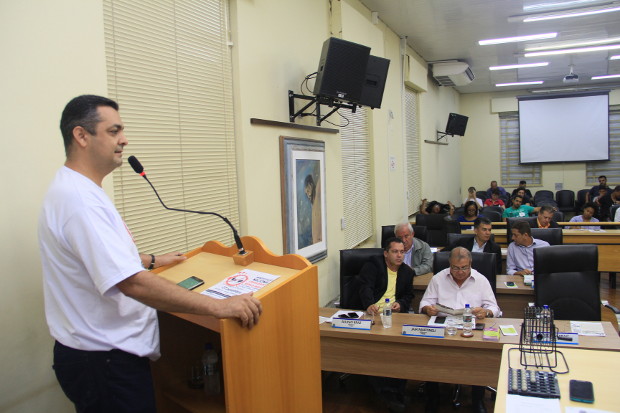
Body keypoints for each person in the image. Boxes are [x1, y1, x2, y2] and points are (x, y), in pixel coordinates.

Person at [38, 95, 262, 412]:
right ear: (81, 135)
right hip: (105, 361)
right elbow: (132, 283)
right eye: (114, 131)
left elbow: (95, 256)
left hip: (101, 355)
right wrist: (219, 306)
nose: (124, 139)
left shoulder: (75, 189)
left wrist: (154, 261)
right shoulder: (79, 201)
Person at [419, 248, 500, 413]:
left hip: (471, 327)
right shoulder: (438, 278)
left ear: (470, 264)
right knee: (428, 353)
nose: (460, 272)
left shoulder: (481, 280)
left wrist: (487, 312)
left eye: (464, 268)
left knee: (479, 355)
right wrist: (428, 309)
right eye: (456, 268)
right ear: (450, 265)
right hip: (443, 327)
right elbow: (424, 302)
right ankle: (433, 397)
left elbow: (494, 307)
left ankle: (477, 399)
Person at [358, 237, 414, 412]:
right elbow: (364, 287)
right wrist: (369, 304)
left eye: (402, 252)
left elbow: (408, 295)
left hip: (393, 317)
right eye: (395, 252)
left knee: (402, 351)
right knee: (374, 352)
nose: (399, 255)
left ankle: (398, 390)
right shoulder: (373, 265)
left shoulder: (407, 272)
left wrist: (402, 304)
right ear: (385, 253)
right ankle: (385, 393)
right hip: (372, 315)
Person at [303, 174, 322, 244]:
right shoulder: (313, 204)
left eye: (308, 190)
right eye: (306, 192)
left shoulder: (317, 196)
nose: (308, 194)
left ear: (311, 185)